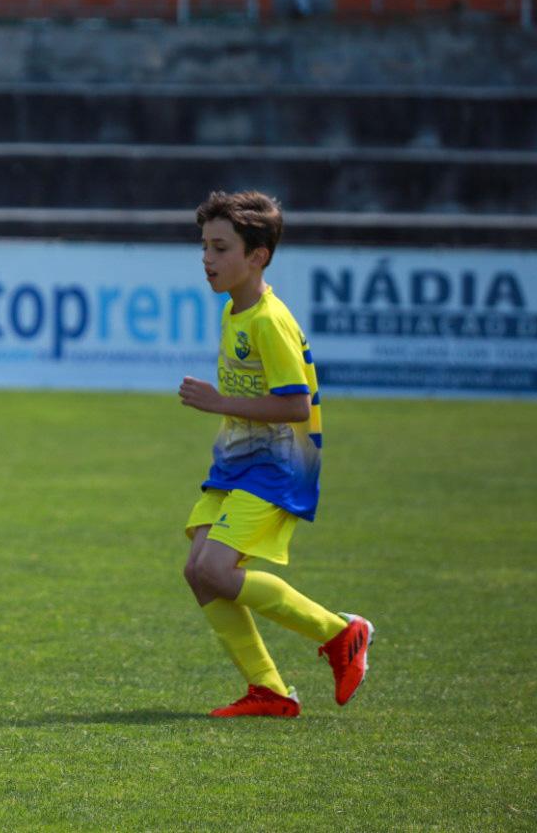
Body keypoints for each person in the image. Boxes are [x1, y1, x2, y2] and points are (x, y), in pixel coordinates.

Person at [178, 190, 372, 717]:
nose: (208, 259)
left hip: (278, 462)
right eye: (205, 247)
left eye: (220, 248)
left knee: (215, 570)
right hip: (237, 460)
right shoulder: (234, 312)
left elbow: (293, 405)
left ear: (257, 256)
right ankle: (269, 691)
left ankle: (340, 632)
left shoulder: (268, 320)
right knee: (198, 568)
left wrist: (217, 401)